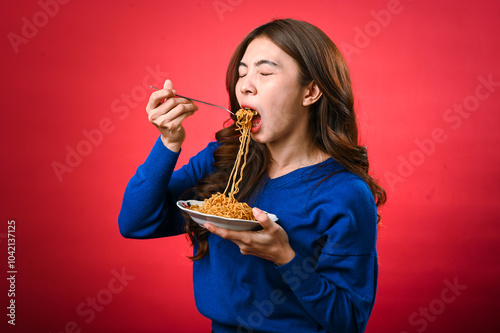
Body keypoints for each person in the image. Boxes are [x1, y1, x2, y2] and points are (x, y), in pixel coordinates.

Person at [118, 18, 386, 333]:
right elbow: (135, 223)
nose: (245, 84)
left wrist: (284, 256)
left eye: (265, 72)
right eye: (242, 73)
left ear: (311, 91)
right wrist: (168, 144)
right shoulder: (223, 160)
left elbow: (350, 321)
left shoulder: (345, 193)